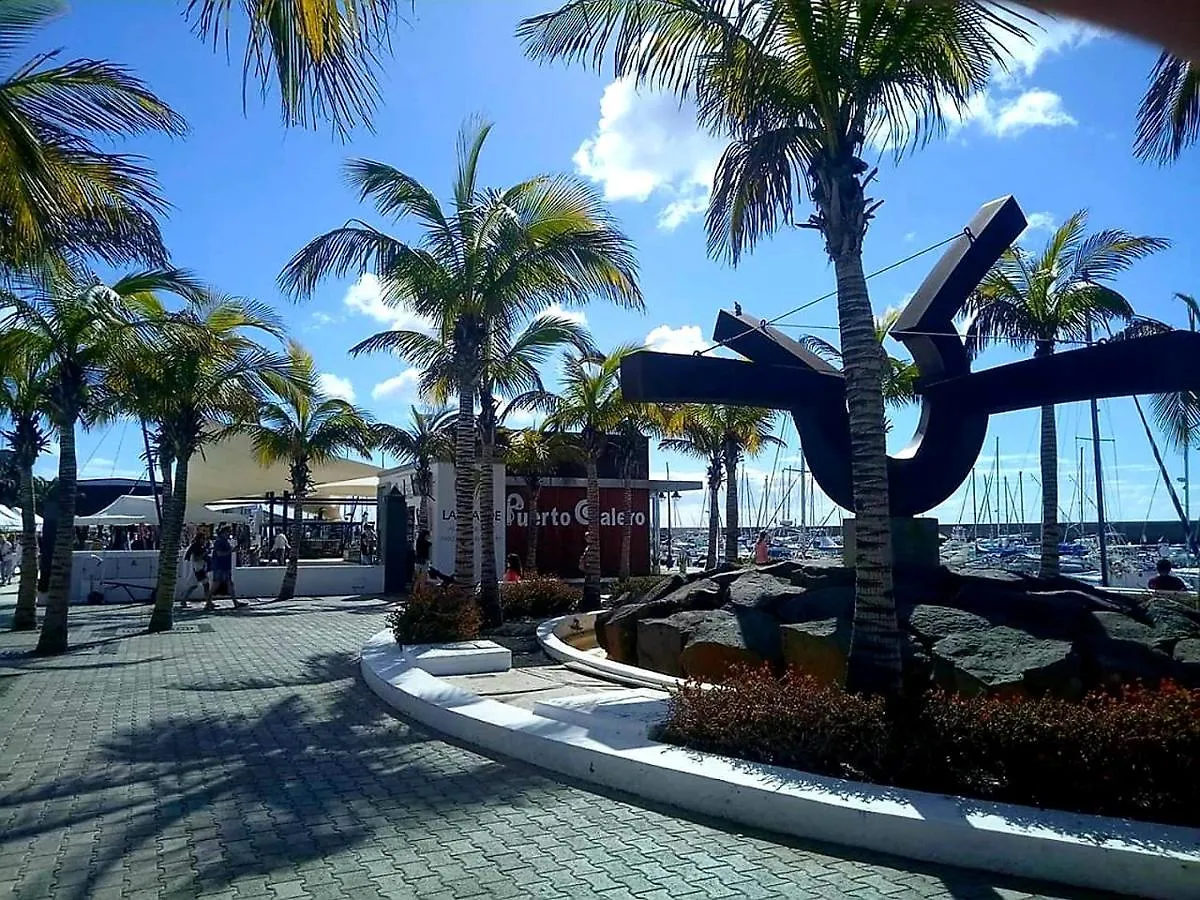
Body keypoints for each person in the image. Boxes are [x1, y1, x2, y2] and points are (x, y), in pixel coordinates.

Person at [210, 527, 246, 609]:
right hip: (220, 566)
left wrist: (233, 550)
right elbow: (219, 553)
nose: (229, 534)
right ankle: (208, 602)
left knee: (229, 584)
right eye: (228, 532)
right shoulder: (219, 542)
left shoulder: (225, 541)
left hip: (225, 566)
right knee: (216, 584)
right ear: (224, 532)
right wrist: (231, 551)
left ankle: (235, 603)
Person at [180, 532, 213, 609]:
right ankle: (208, 602)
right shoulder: (196, 547)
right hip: (198, 568)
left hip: (199, 568)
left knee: (194, 585)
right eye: (203, 538)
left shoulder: (198, 546)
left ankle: (184, 600)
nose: (204, 540)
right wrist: (205, 553)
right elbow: (196, 558)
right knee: (206, 585)